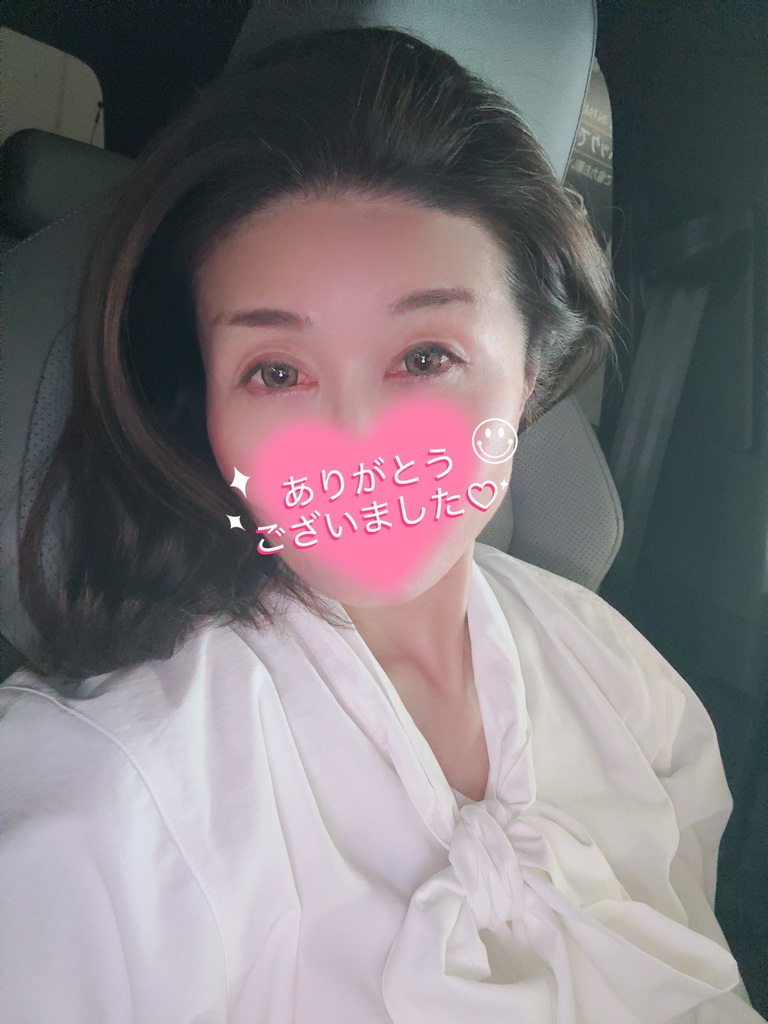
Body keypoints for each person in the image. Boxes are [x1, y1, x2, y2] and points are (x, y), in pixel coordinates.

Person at [0, 25, 763, 1024]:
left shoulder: (629, 684)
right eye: (276, 371)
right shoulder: (107, 796)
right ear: (208, 411)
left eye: (426, 356)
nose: (355, 442)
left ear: (531, 373)